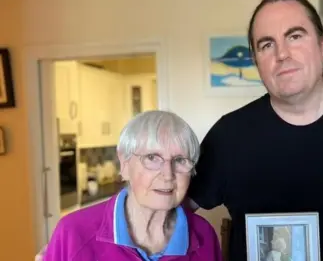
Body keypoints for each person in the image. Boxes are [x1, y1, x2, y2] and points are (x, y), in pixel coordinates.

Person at [36, 0, 323, 260]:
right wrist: (71, 243)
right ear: (257, 62)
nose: (282, 53)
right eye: (266, 44)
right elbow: (164, 202)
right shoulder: (229, 137)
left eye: (295, 36)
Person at [40, 111, 222, 260]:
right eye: (152, 158)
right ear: (125, 165)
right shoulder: (73, 233)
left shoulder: (203, 234)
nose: (168, 174)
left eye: (180, 160)